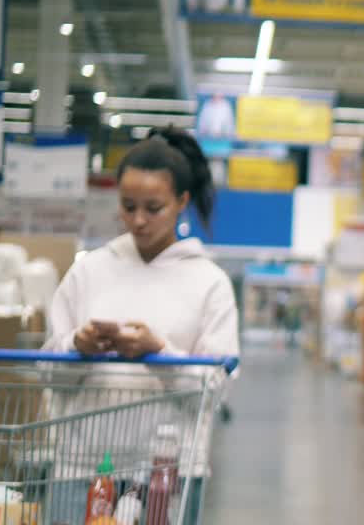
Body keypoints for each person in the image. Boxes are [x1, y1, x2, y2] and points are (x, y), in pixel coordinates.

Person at [44, 127, 239, 525]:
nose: (138, 220)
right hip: (82, 464)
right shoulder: (89, 272)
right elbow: (49, 371)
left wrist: (158, 353)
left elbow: (216, 389)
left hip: (168, 470)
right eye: (128, 205)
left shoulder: (209, 283)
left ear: (181, 202)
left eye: (154, 208)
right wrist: (75, 345)